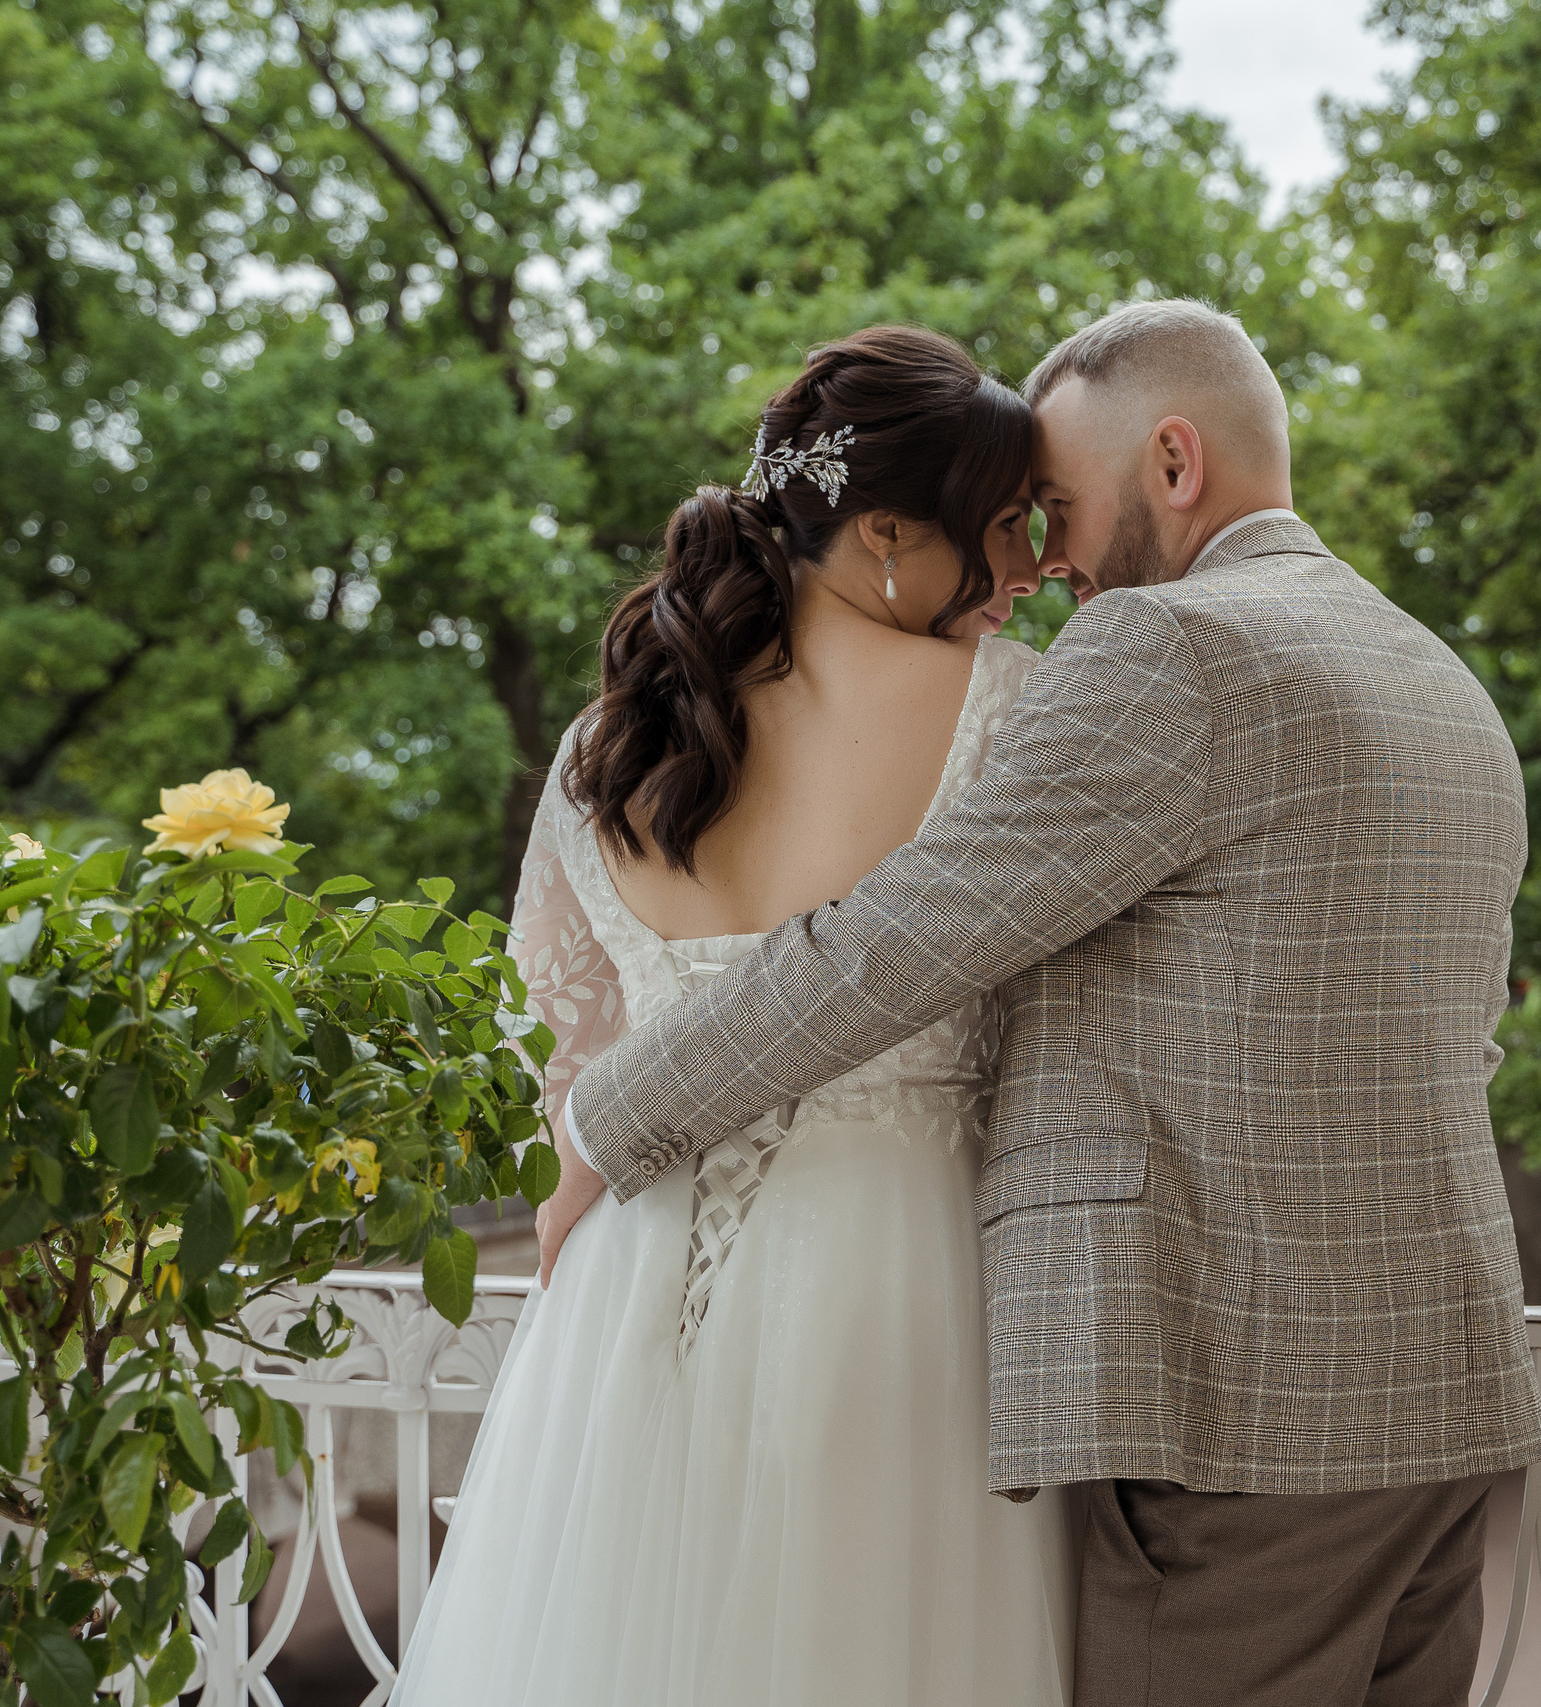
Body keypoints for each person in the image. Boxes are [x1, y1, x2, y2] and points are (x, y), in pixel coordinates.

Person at [543, 299, 1541, 1707]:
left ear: (1175, 462)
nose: (1048, 559)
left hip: (1244, 1428)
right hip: (1442, 1403)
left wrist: (604, 1124)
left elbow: (896, 946)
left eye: (1058, 508)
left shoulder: (1171, 651)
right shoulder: (1439, 680)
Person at [387, 327, 1072, 1706]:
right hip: (902, 1287)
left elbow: (556, 1057)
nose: (1033, 566)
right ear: (887, 531)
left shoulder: (608, 744)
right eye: (1007, 525)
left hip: (623, 1281)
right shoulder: (1014, 708)